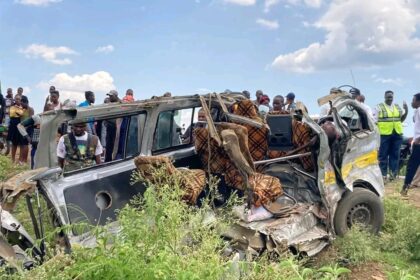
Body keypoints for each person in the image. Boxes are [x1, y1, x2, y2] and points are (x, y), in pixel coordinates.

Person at [373, 90, 409, 180]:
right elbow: (374, 121)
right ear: (384, 97)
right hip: (384, 134)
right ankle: (383, 175)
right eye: (388, 96)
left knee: (395, 155)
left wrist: (407, 110)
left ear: (393, 97)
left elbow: (401, 119)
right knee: (383, 155)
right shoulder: (379, 107)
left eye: (391, 97)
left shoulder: (397, 107)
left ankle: (393, 175)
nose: (390, 98)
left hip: (397, 134)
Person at [401, 93, 420, 195]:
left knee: (411, 166)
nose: (412, 102)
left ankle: (405, 188)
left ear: (418, 101)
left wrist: (418, 139)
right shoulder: (417, 111)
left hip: (419, 143)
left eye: (413, 100)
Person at [6, 95, 27, 164]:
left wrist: (19, 111)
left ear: (21, 100)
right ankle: (12, 159)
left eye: (19, 99)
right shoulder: (12, 107)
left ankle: (20, 160)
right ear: (14, 100)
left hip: (20, 126)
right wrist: (19, 111)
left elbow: (22, 114)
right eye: (16, 99)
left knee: (21, 143)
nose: (18, 100)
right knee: (14, 143)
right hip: (13, 126)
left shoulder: (23, 107)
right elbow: (12, 114)